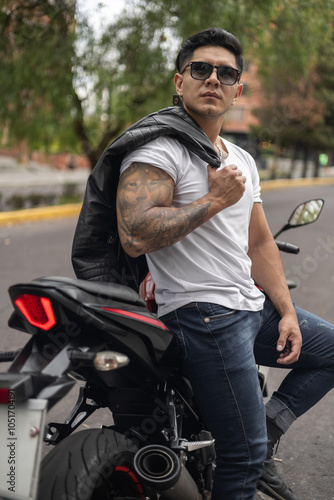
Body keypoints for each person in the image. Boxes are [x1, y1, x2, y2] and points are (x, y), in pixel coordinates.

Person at [74, 27, 334, 500]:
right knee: (243, 456)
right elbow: (134, 237)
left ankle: (271, 428)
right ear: (180, 81)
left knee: (331, 349)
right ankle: (256, 450)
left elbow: (259, 245)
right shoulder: (159, 149)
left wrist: (288, 311)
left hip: (249, 307)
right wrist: (213, 202)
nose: (213, 78)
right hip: (203, 314)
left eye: (226, 72)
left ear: (238, 89)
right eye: (201, 69)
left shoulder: (241, 159)